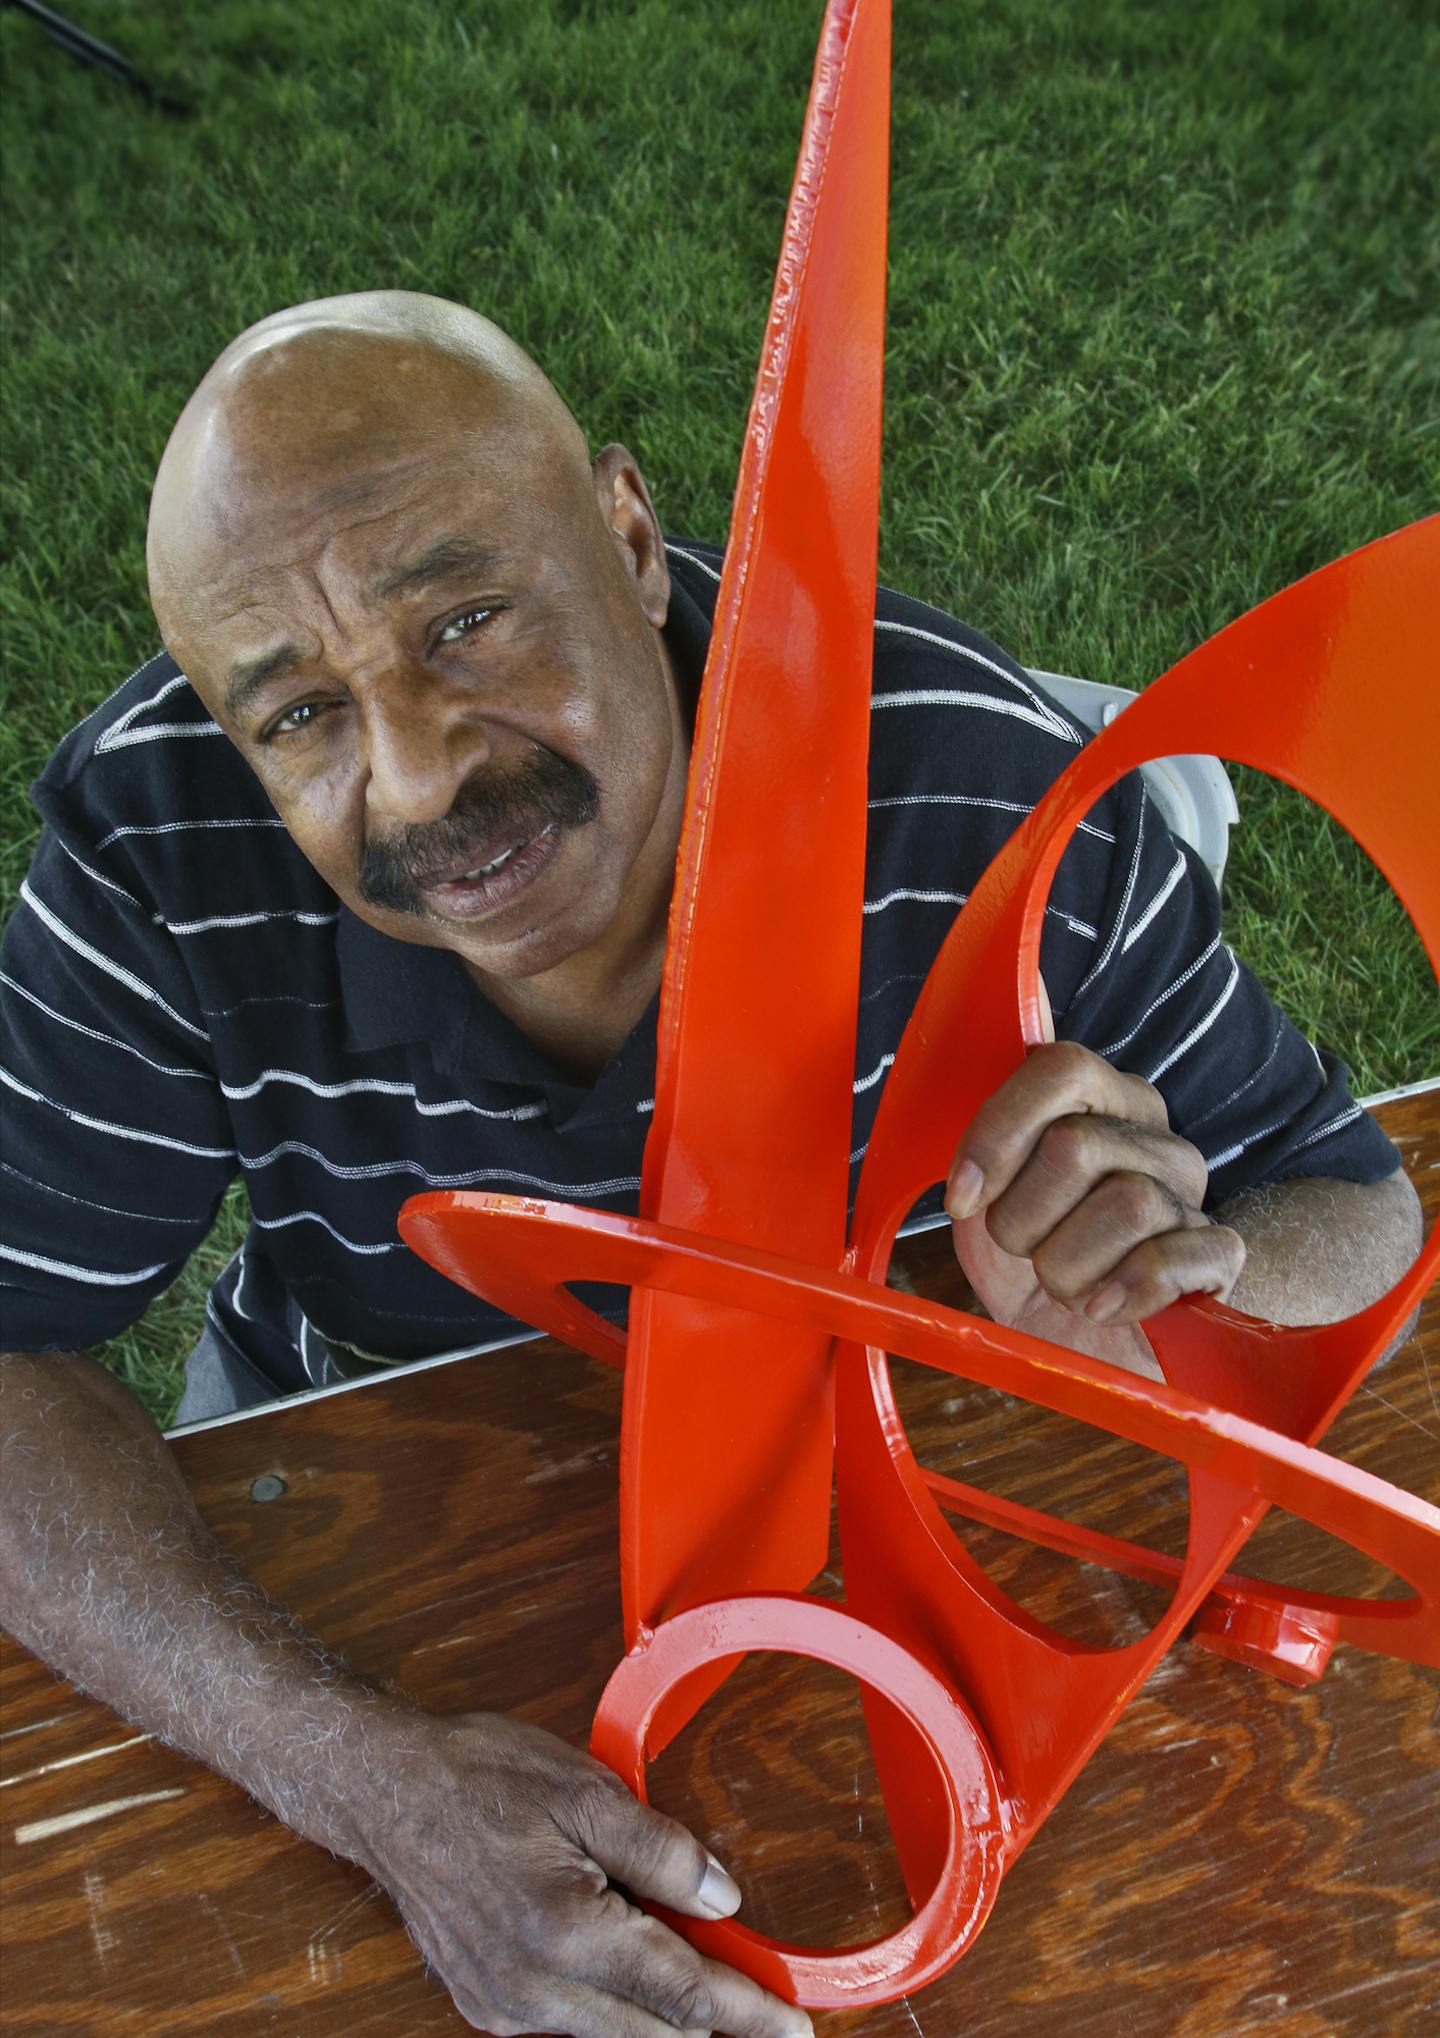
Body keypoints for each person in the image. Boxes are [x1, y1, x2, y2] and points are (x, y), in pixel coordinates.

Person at [0, 292, 1420, 2037]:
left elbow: (1356, 1203)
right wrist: (355, 1775)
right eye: (297, 713)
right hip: (370, 1455)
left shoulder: (981, 796)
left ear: (629, 529)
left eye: (465, 617)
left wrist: (1150, 1298)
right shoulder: (158, 840)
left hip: (891, 1478)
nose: (420, 771)